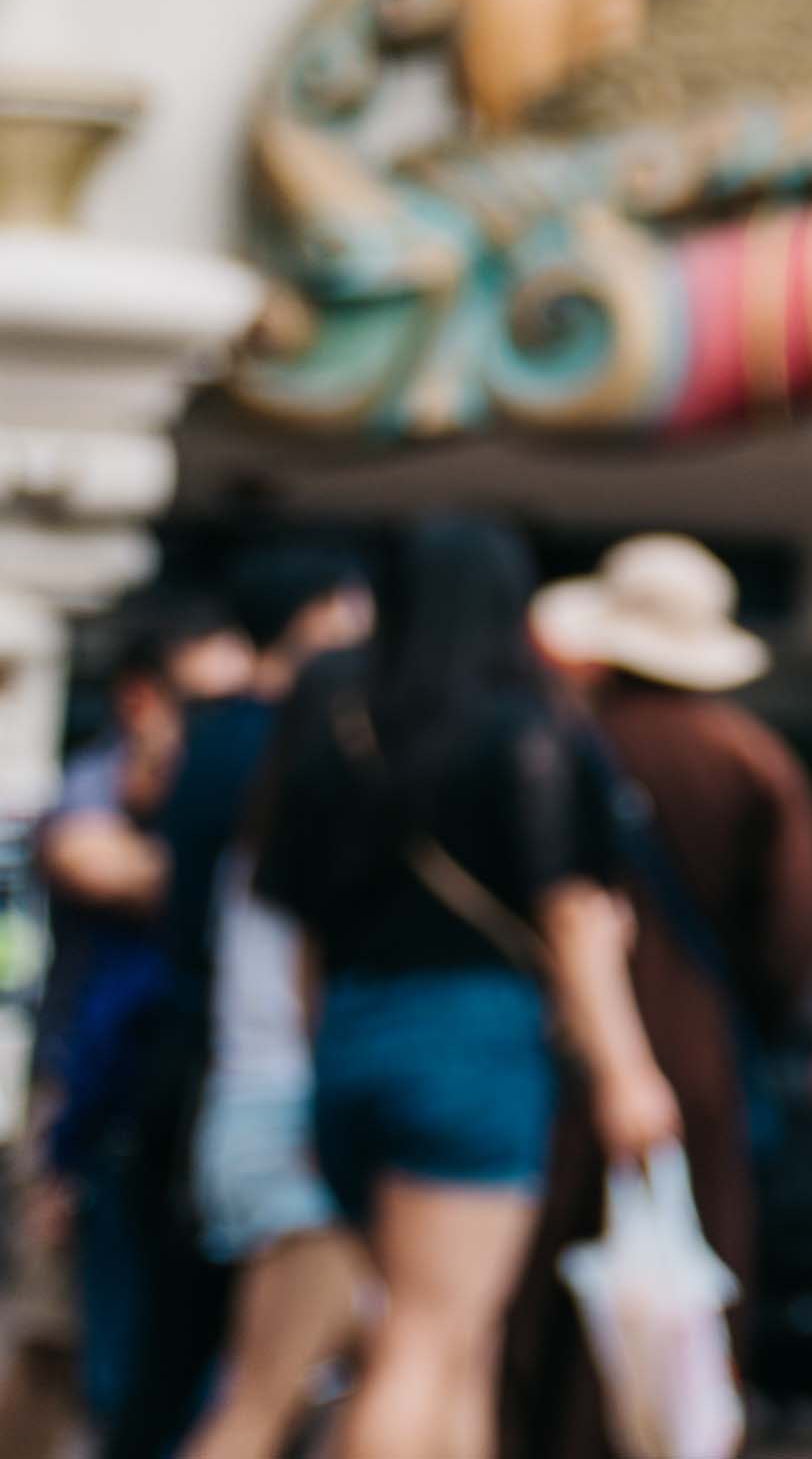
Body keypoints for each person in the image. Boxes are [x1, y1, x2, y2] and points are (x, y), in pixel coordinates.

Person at [253, 516, 681, 1459]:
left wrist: (328, 1047)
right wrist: (627, 1070)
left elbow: (301, 931)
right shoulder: (526, 726)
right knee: (426, 1337)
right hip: (472, 1043)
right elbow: (573, 917)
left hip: (351, 1036)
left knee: (461, 1339)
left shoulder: (334, 720)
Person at [508, 536, 812, 1459]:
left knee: (550, 1284)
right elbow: (791, 934)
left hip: (548, 1043)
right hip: (695, 1049)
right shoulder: (751, 759)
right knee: (685, 1275)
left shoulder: (552, 742)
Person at [133, 545, 373, 1459]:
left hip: (232, 1102)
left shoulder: (223, 773)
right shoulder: (307, 829)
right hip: (288, 1117)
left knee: (256, 1380)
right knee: (262, 1400)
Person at [6, 595, 250, 1459]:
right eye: (208, 706)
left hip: (159, 1110)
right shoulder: (96, 789)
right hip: (91, 1102)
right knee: (68, 1341)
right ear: (144, 699)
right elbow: (97, 865)